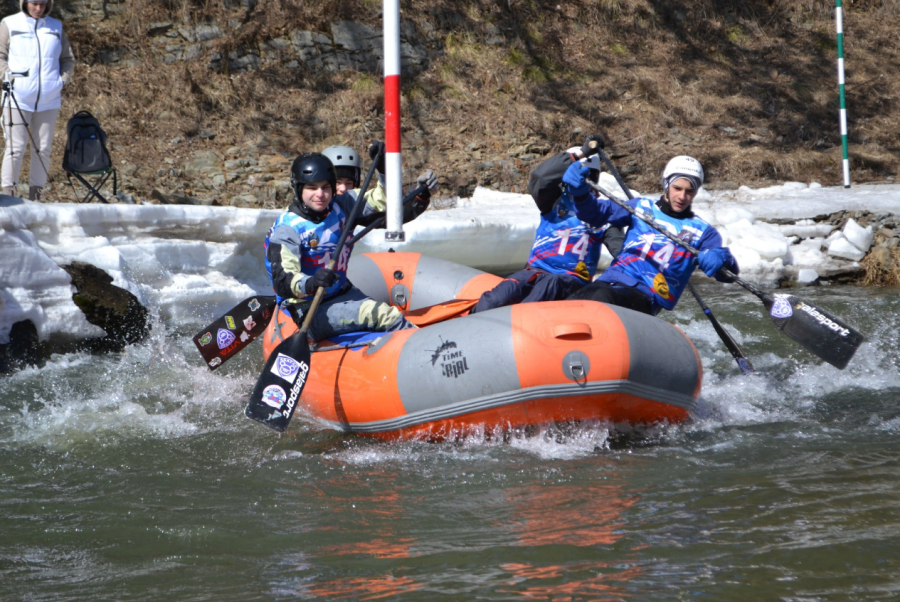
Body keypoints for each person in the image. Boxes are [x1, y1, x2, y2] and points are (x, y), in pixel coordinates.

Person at [265, 149, 438, 342]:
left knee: (380, 316)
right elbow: (282, 280)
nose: (320, 194)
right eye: (312, 188)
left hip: (343, 292)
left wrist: (384, 171)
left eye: (325, 187)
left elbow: (383, 201)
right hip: (309, 309)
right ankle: (426, 348)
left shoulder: (343, 204)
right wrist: (311, 282)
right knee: (384, 314)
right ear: (299, 189)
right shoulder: (287, 229)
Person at [565, 155, 739, 315]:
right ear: (666, 185)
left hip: (646, 296)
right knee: (575, 300)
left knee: (601, 297)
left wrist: (723, 259)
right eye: (677, 188)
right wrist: (580, 194)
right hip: (611, 280)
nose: (682, 196)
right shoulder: (640, 206)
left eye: (689, 191)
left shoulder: (704, 232)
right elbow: (595, 214)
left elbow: (728, 273)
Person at [469, 134, 625, 314]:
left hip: (571, 282)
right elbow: (541, 177)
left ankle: (519, 323)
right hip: (535, 271)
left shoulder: (603, 212)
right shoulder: (553, 200)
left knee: (548, 287)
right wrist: (581, 154)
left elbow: (620, 250)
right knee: (494, 299)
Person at [0, 0, 75, 200]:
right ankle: (8, 198)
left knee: (43, 149)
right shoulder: (9, 23)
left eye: (43, 4)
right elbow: (0, 56)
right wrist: (8, 77)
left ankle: (36, 198)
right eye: (34, 4)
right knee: (15, 148)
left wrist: (61, 82)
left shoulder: (55, 26)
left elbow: (67, 59)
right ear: (24, 3)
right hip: (17, 97)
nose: (38, 9)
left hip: (49, 100)